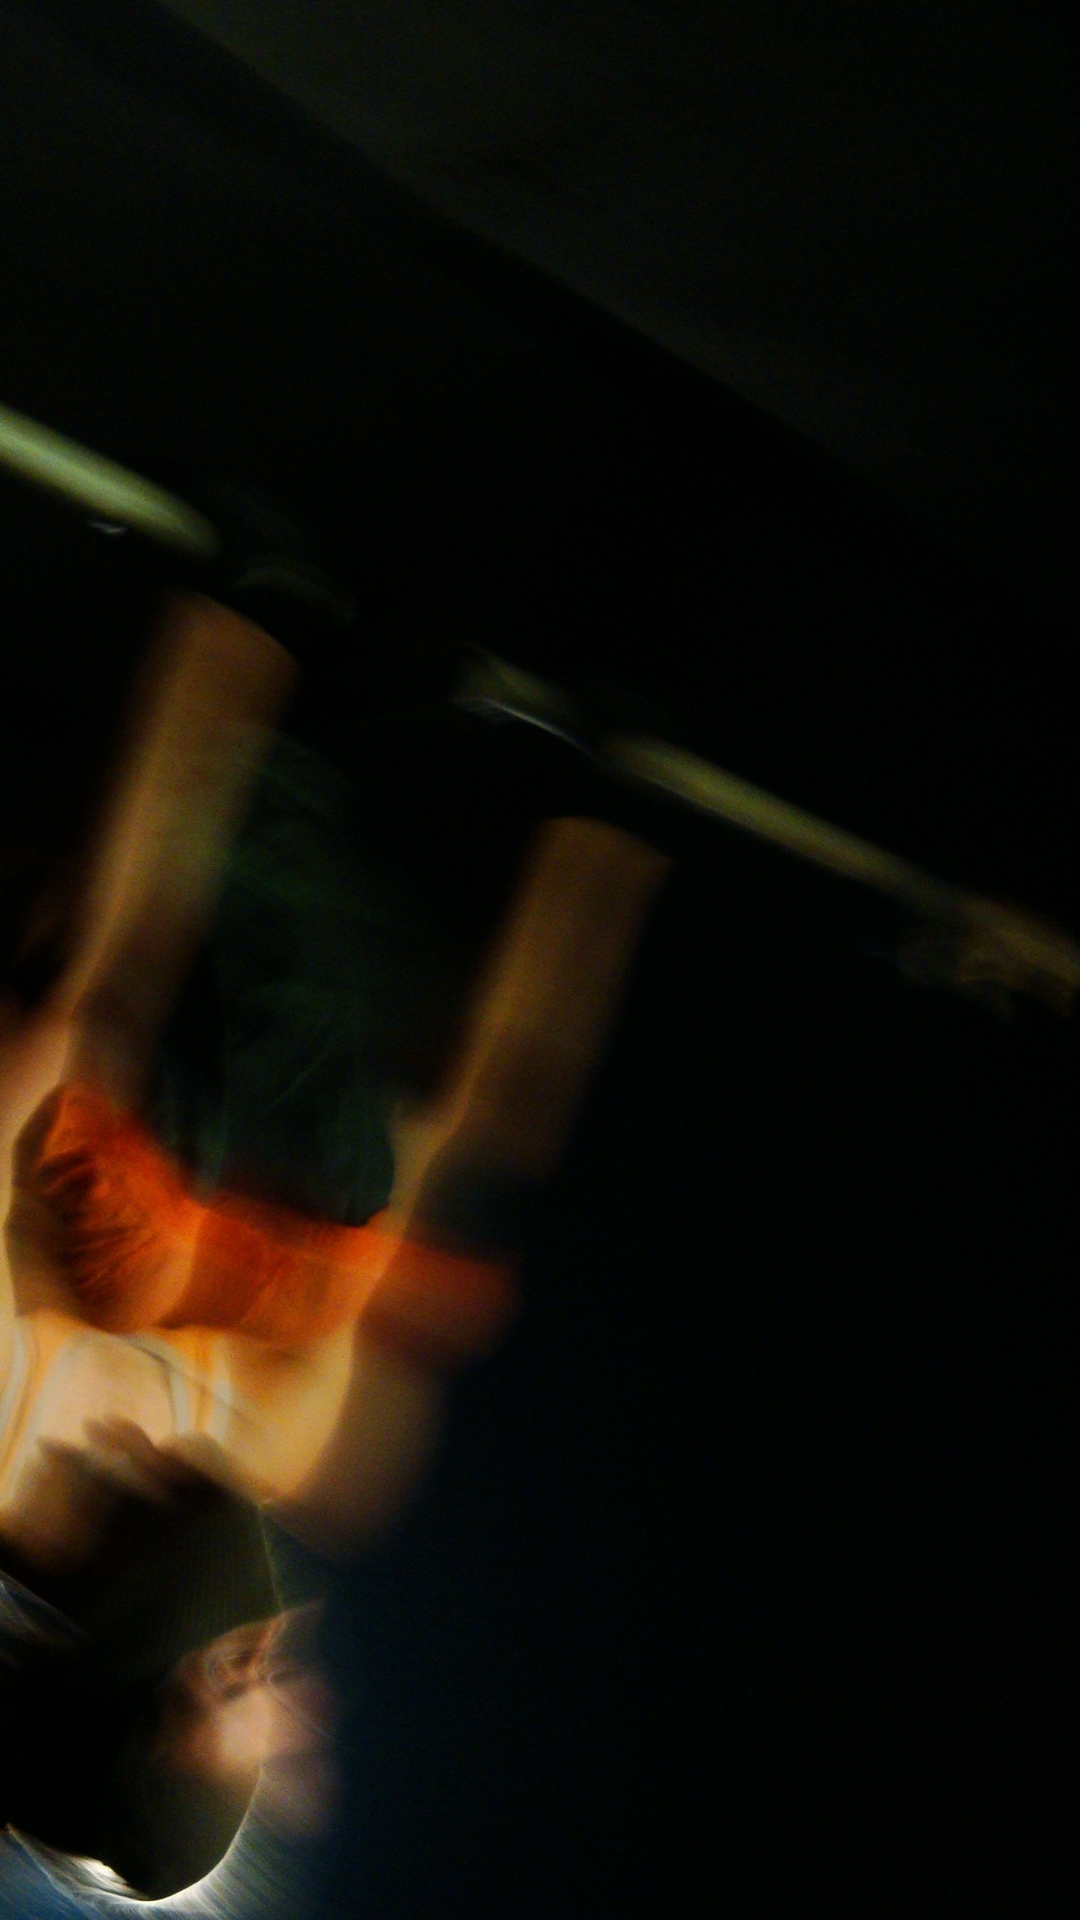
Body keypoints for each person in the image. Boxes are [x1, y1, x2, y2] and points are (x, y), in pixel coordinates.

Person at [1, 575, 669, 1898]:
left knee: (123, 1204)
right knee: (337, 1249)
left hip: (115, 873)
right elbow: (475, 1139)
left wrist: (230, 637)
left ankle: (283, 714)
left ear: (145, 1673)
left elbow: (90, 994)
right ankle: (329, 754)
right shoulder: (287, 1447)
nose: (292, 1675)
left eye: (235, 1682)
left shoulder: (14, 1403)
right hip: (307, 939)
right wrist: (612, 825)